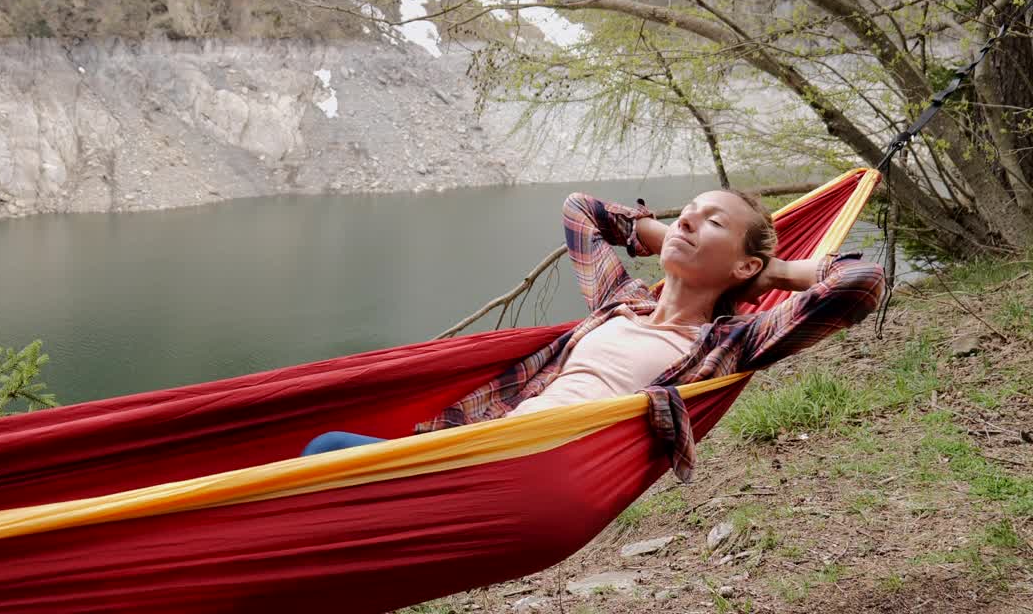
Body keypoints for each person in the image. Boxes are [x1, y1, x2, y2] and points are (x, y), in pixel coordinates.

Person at [303, 188, 885, 478]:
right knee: (313, 457)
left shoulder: (730, 342)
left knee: (324, 455)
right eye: (686, 210)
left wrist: (775, 272)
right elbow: (581, 211)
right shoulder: (620, 302)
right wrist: (678, 234)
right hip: (481, 445)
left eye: (713, 221)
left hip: (536, 463)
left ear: (743, 268)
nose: (686, 219)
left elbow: (859, 284)